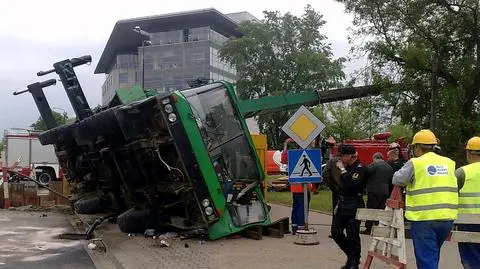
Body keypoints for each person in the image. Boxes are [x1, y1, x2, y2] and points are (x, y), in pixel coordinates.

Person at [392, 129, 460, 269]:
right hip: (447, 218)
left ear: (417, 147)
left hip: (424, 219)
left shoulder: (416, 163)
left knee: (427, 259)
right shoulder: (449, 163)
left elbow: (397, 179)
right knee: (432, 254)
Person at [331, 144, 366, 269]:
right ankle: (352, 257)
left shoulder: (359, 168)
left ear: (349, 156)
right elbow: (342, 187)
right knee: (335, 232)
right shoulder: (349, 167)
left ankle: (354, 263)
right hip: (343, 204)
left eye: (342, 156)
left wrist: (342, 170)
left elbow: (351, 184)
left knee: (352, 235)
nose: (340, 159)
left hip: (354, 205)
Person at [455, 136, 479, 269]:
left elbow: (451, 195)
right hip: (468, 222)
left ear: (468, 153)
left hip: (468, 221)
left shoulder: (461, 173)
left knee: (470, 257)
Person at [361, 152, 393, 234]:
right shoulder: (389, 167)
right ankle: (379, 227)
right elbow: (390, 180)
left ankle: (369, 228)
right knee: (381, 209)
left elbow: (366, 173)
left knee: (371, 209)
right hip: (385, 190)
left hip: (373, 190)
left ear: (375, 158)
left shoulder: (374, 165)